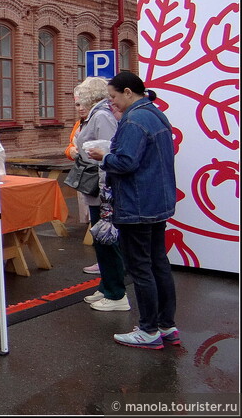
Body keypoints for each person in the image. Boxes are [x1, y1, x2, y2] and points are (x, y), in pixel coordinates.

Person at [88, 72, 179, 349]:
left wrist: (105, 156)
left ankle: (149, 330)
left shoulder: (134, 119)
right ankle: (166, 326)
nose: (112, 103)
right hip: (157, 201)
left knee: (141, 268)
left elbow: (126, 162)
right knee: (158, 264)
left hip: (137, 204)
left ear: (128, 92)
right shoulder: (155, 113)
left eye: (114, 97)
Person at [70, 77, 128, 311]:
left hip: (102, 188)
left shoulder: (101, 115)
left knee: (106, 240)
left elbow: (108, 150)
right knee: (101, 240)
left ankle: (116, 294)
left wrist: (82, 153)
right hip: (98, 186)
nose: (78, 105)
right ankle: (107, 287)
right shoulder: (99, 113)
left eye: (80, 99)